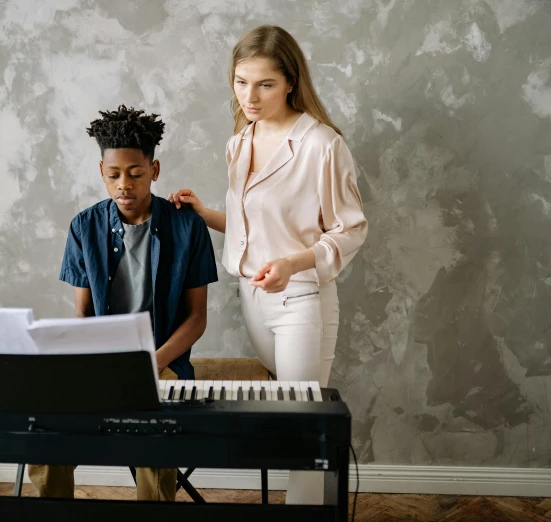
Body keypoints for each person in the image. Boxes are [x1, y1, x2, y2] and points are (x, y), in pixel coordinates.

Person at [168, 25, 368, 505]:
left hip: (300, 297)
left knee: (304, 423)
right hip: (253, 299)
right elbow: (250, 228)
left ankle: (308, 512)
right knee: (301, 416)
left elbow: (351, 229)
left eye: (265, 84)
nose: (249, 96)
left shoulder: (322, 145)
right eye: (241, 82)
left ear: (291, 83)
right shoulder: (240, 142)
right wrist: (203, 214)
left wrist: (292, 263)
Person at [28, 104, 219, 501]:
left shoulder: (187, 227)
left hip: (162, 362)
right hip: (98, 363)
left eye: (135, 174)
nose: (124, 186)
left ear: (155, 169)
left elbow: (197, 318)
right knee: (44, 429)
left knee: (153, 431)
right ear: (101, 172)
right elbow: (82, 313)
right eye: (113, 176)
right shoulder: (84, 227)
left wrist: (155, 362)